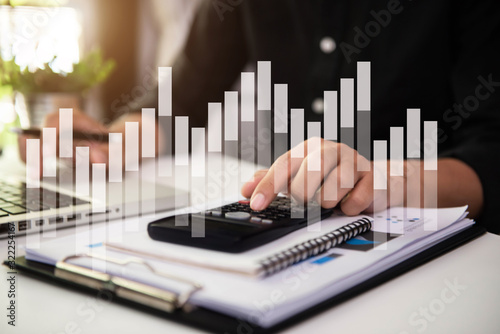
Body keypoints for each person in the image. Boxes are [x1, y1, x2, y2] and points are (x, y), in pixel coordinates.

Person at [39, 0, 500, 234]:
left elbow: (490, 154)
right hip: (292, 229)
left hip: (438, 242)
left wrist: (387, 179)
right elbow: (180, 100)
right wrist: (111, 141)